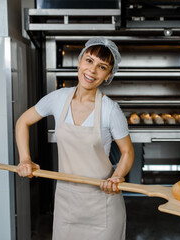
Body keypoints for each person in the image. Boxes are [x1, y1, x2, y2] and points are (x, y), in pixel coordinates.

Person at [15, 38, 134, 240]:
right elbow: (22, 122)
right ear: (79, 62)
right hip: (66, 203)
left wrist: (117, 177)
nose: (92, 71)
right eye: (89, 61)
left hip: (102, 203)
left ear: (108, 75)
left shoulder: (110, 110)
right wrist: (25, 158)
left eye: (102, 67)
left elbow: (127, 152)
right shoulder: (58, 98)